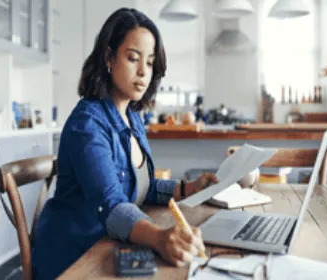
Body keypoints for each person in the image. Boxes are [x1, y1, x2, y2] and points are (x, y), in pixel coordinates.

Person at [32, 8, 218, 279]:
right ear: (109, 57)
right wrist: (158, 237)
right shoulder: (88, 124)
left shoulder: (131, 116)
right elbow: (111, 204)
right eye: (133, 58)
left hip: (110, 245)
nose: (143, 72)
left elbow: (141, 186)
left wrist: (187, 188)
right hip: (76, 258)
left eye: (150, 62)